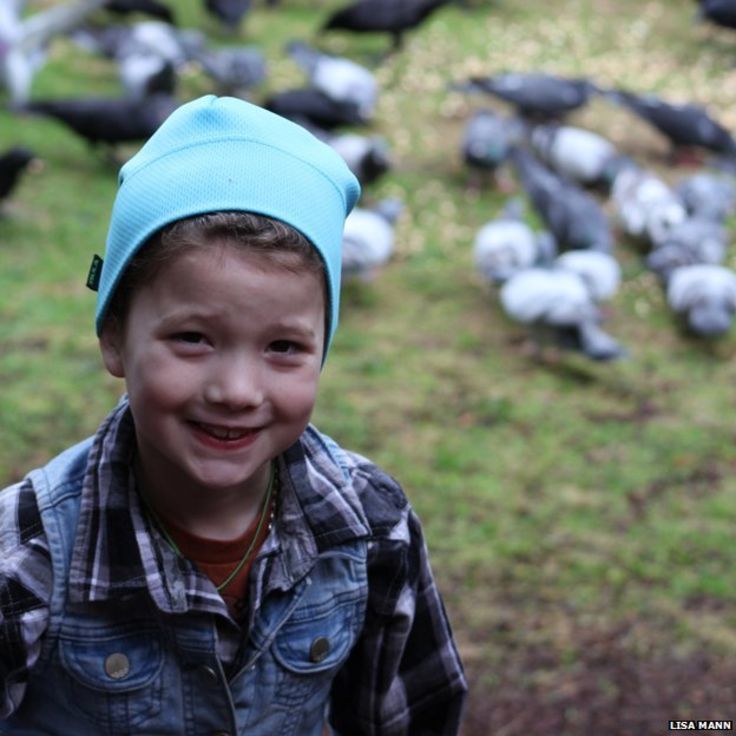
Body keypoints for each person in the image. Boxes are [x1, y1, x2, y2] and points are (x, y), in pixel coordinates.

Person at [0, 95, 467, 735]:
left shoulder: (372, 528)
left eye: (283, 347)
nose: (238, 390)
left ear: (321, 350)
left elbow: (413, 714)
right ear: (114, 335)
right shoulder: (24, 561)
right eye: (193, 337)